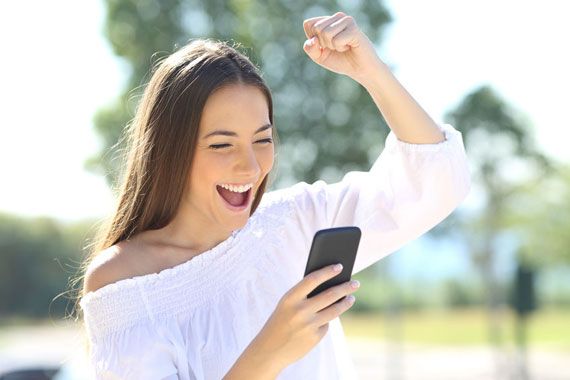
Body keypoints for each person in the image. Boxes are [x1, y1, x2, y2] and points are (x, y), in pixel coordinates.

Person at [78, 11, 470, 379]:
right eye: (221, 145)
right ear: (170, 149)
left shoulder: (295, 223)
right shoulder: (124, 283)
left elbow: (435, 183)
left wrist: (371, 71)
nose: (250, 168)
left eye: (262, 139)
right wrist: (270, 352)